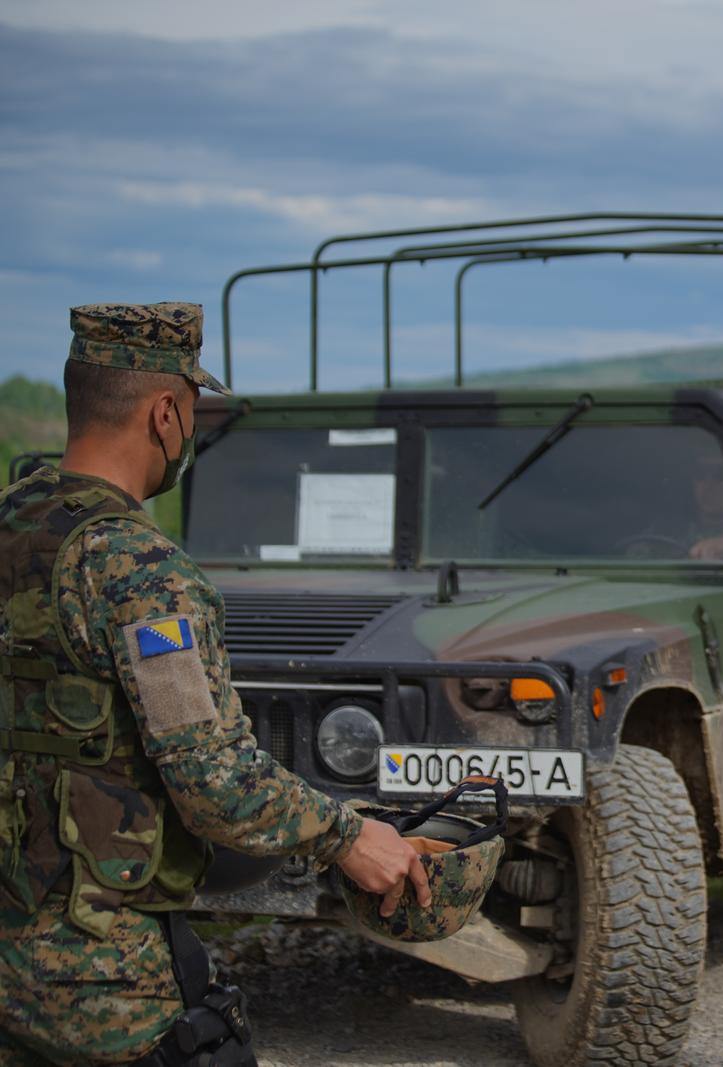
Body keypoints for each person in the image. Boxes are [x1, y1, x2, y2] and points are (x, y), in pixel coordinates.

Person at [0, 303, 430, 1066]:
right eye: (193, 407)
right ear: (166, 413)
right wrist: (351, 836)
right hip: (101, 979)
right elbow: (215, 780)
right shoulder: (138, 569)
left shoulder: (11, 525)